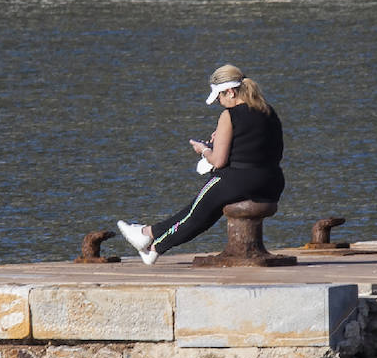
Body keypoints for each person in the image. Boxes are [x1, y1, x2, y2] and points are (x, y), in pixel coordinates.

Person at [117, 65, 285, 265]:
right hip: (272, 181)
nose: (220, 103)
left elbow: (219, 161)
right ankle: (147, 233)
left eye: (219, 98)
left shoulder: (229, 115)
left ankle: (154, 247)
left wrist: (204, 150)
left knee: (195, 214)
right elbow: (260, 147)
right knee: (202, 209)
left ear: (230, 92)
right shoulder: (268, 110)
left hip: (239, 179)